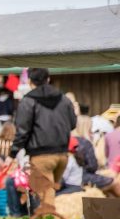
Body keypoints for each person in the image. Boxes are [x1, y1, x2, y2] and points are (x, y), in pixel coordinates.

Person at [9, 68, 77, 208]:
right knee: (48, 194)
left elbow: (22, 131)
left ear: (29, 81)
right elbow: (73, 124)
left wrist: (12, 154)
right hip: (62, 156)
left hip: (41, 156)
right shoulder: (64, 99)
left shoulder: (28, 101)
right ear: (48, 79)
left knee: (46, 198)